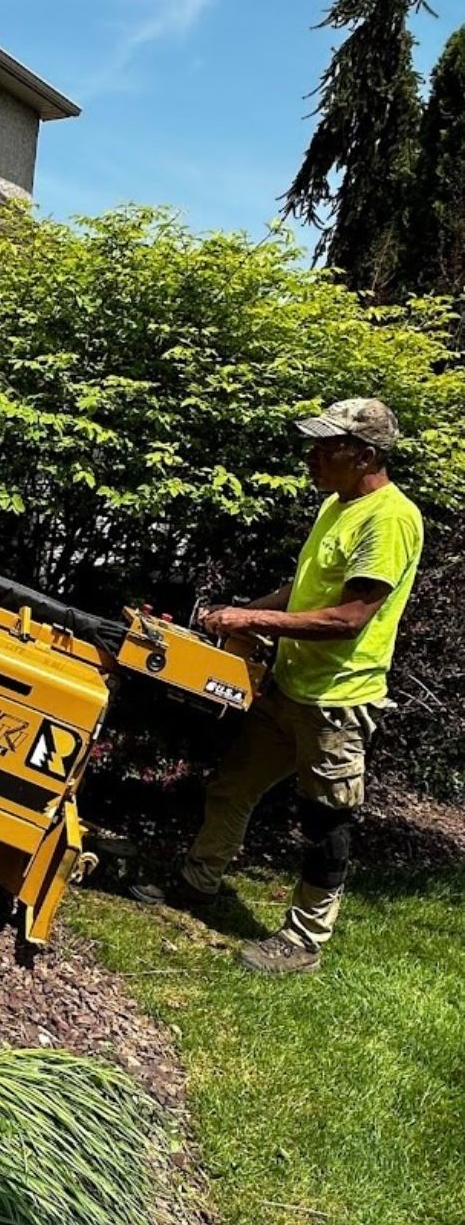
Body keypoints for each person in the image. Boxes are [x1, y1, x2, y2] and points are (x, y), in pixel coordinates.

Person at [132, 398, 423, 974]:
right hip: (290, 686)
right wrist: (242, 612)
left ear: (363, 454)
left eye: (325, 446)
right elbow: (305, 591)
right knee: (232, 785)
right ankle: (198, 882)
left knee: (325, 822)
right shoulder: (339, 506)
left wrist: (251, 622)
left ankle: (304, 942)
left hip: (336, 702)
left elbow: (347, 620)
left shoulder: (388, 519)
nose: (310, 456)